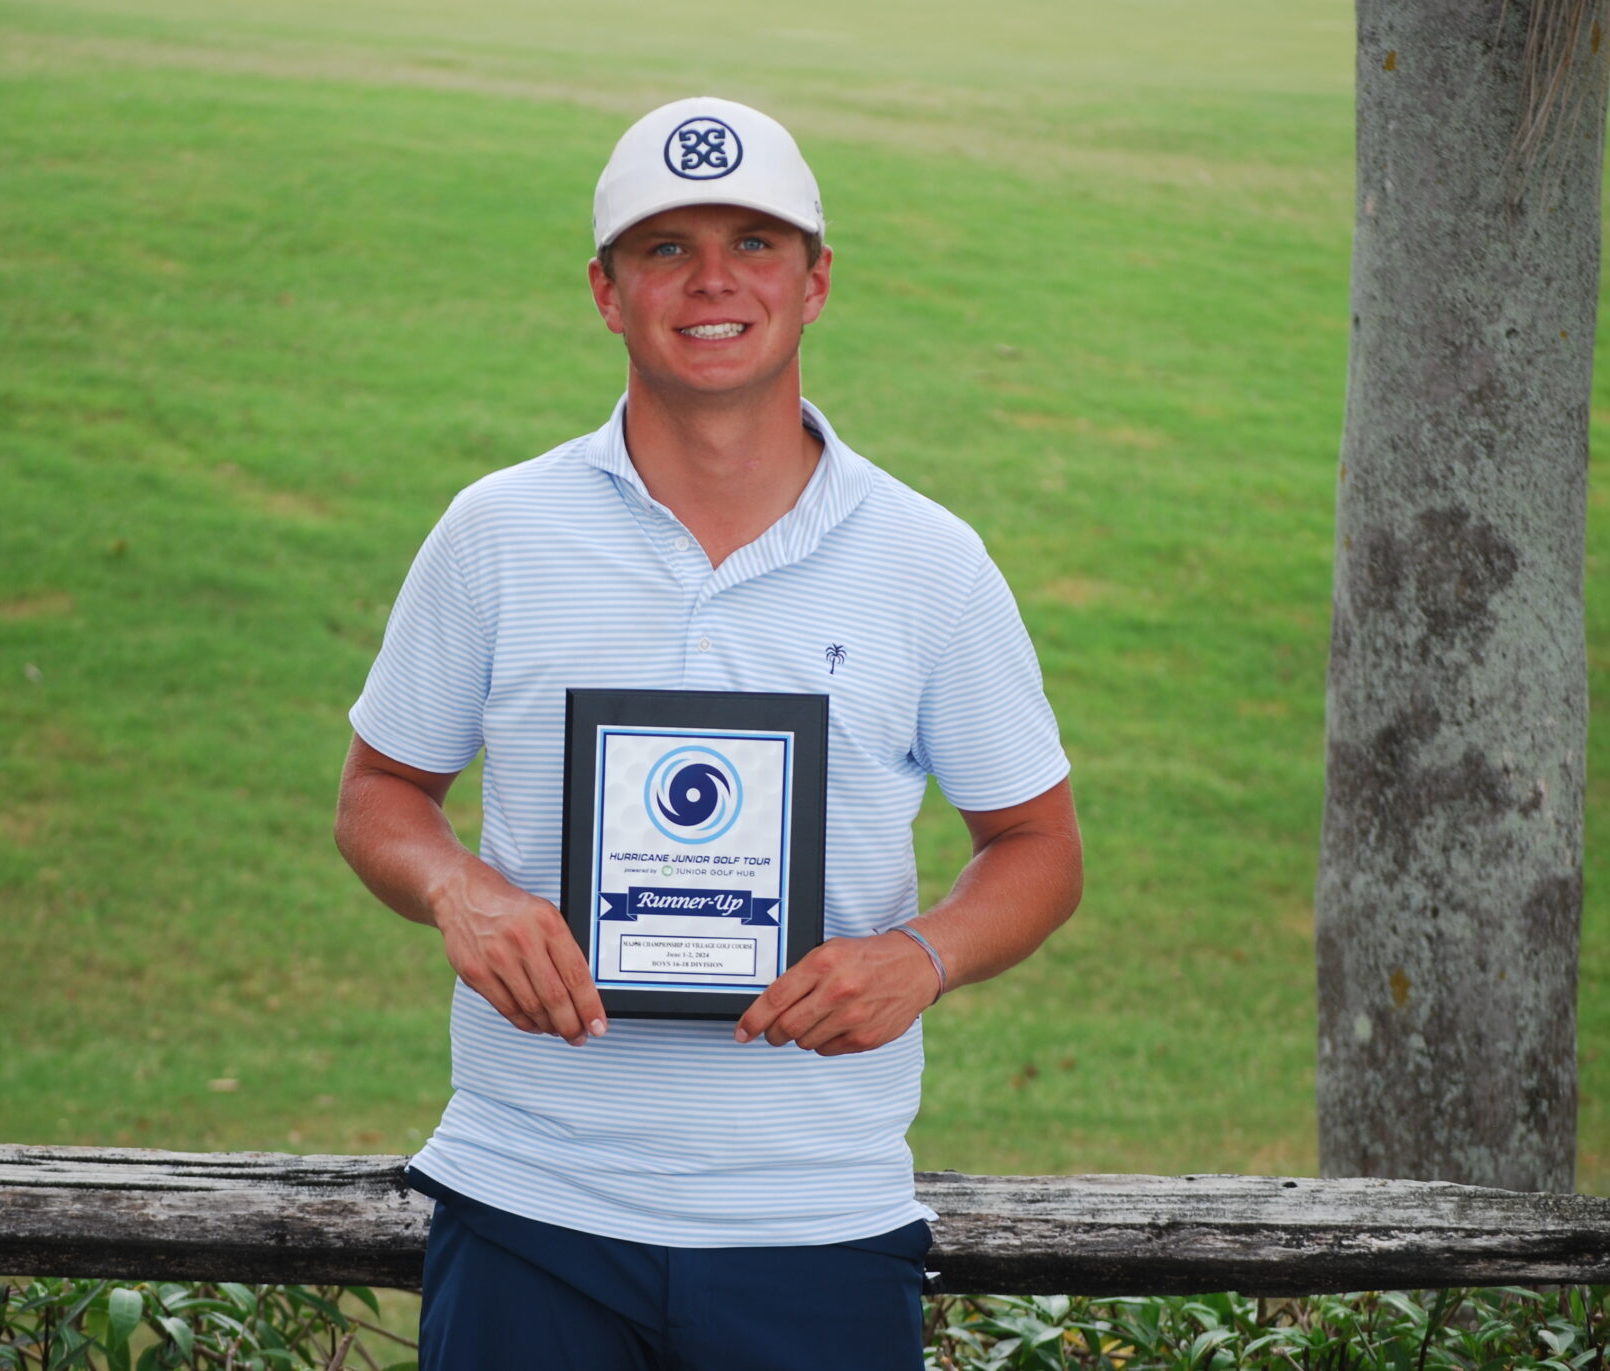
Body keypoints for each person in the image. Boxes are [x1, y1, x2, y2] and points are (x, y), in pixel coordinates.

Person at [335, 95, 1083, 1371]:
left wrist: (919, 956)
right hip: (531, 1203)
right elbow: (378, 796)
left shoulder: (927, 561)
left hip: (814, 1220)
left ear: (816, 278)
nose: (712, 281)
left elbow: (1037, 848)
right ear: (605, 290)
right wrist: (458, 892)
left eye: (753, 241)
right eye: (665, 247)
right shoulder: (497, 532)